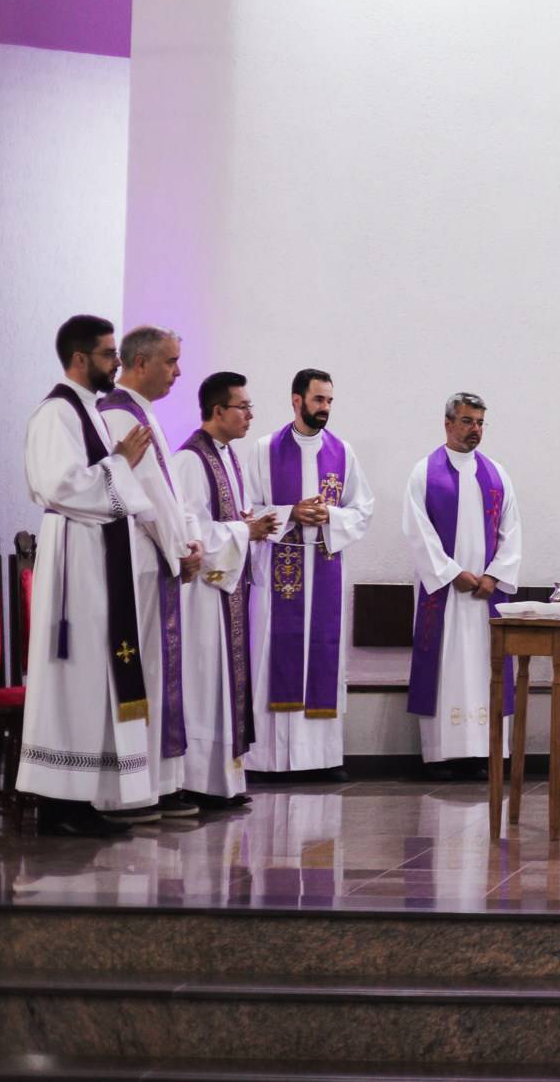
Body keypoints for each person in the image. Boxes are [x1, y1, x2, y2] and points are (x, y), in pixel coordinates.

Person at [16, 315, 158, 836]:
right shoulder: (56, 412)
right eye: (107, 354)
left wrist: (118, 465)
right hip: (73, 559)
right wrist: (119, 462)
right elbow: (61, 486)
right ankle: (58, 802)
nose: (116, 362)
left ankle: (86, 796)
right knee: (72, 677)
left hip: (98, 555)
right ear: (79, 359)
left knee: (97, 673)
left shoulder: (92, 412)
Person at [95, 325, 204, 821]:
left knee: (159, 670)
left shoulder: (145, 414)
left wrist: (189, 536)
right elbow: (146, 493)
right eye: (170, 362)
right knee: (140, 671)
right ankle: (132, 789)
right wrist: (180, 547)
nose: (178, 372)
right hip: (136, 559)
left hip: (156, 557)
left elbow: (171, 491)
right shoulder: (119, 415)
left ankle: (160, 782)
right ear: (140, 363)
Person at [243, 368, 374, 779]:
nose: (325, 409)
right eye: (318, 400)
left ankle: (321, 760)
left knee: (323, 657)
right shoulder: (264, 450)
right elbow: (245, 511)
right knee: (272, 658)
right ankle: (268, 761)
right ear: (296, 400)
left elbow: (362, 509)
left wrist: (329, 515)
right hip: (278, 574)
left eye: (330, 401)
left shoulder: (343, 452)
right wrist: (289, 514)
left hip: (325, 569)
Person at [170, 371, 280, 807]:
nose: (250, 415)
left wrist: (252, 524)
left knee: (221, 684)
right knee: (202, 683)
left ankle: (224, 781)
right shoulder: (189, 461)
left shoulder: (228, 458)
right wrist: (244, 531)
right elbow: (190, 530)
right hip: (200, 596)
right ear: (218, 411)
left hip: (225, 591)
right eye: (243, 407)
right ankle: (199, 780)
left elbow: (228, 519)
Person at [403, 392, 522, 780]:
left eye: (481, 423)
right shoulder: (425, 472)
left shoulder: (497, 475)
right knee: (446, 669)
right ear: (448, 423)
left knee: (485, 670)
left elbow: (512, 532)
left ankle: (485, 754)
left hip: (486, 597)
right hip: (446, 595)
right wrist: (453, 573)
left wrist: (493, 575)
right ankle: (443, 756)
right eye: (468, 421)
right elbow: (417, 531)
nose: (475, 430)